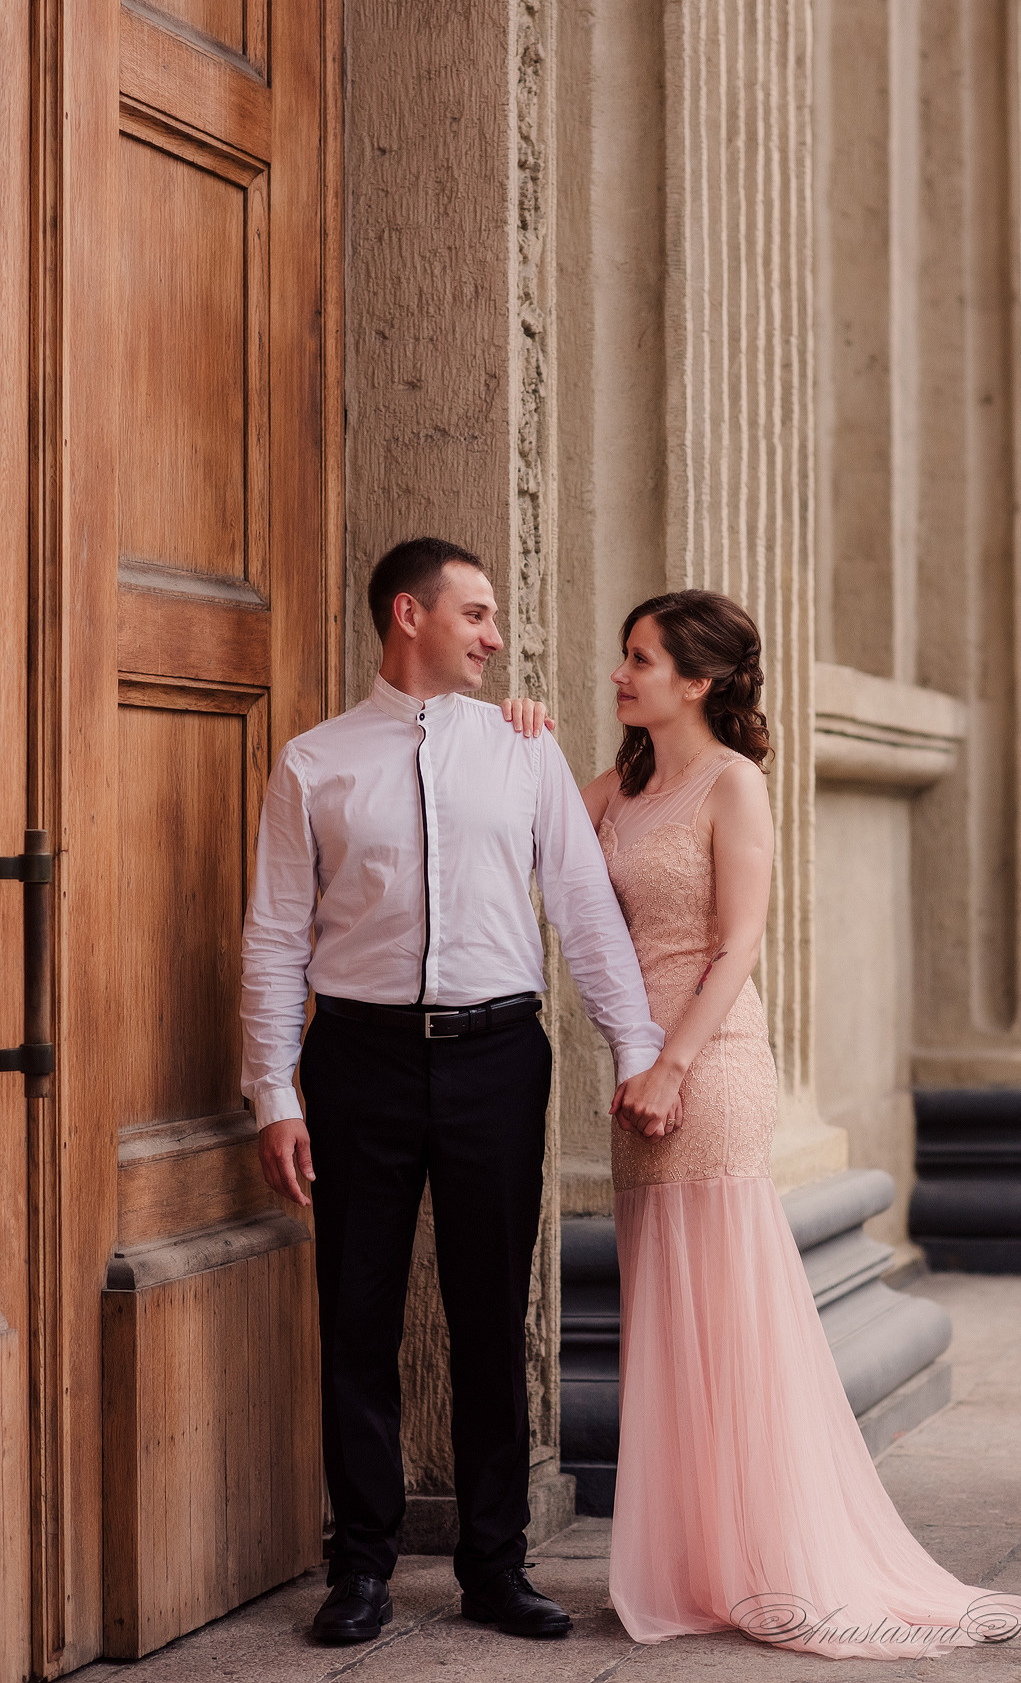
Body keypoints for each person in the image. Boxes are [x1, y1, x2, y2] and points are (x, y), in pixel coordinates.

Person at [572, 590, 1021, 1659]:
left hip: (704, 1065)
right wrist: (510, 732)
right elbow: (540, 827)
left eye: (639, 659)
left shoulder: (731, 784)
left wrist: (671, 1066)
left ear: (697, 681)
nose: (619, 674)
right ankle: (700, 1559)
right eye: (624, 656)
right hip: (637, 1069)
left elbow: (738, 943)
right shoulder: (625, 783)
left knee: (724, 1307)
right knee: (668, 1309)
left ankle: (772, 1556)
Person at [240, 536, 664, 1646]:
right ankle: (360, 1569)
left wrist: (636, 1048)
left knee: (490, 1316)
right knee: (357, 1316)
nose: (494, 637)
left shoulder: (522, 749)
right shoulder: (313, 763)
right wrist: (273, 1093)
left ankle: (494, 1566)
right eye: (474, 614)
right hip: (359, 1063)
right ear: (407, 613)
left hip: (495, 1059)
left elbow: (581, 905)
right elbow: (275, 936)